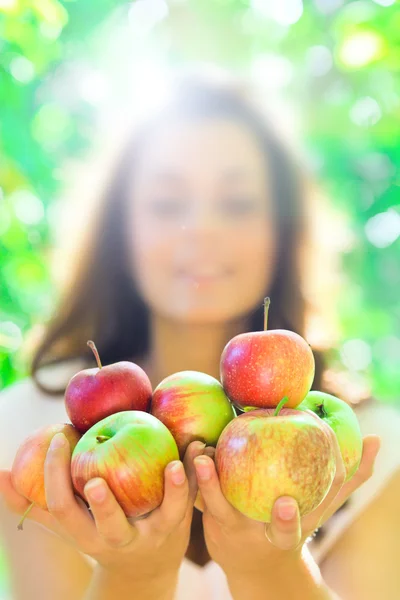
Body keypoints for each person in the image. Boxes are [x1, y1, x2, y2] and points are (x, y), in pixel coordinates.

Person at [0, 70, 399, 600]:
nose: (203, 228)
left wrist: (271, 572)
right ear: (121, 232)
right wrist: (134, 576)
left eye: (237, 203)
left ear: (283, 232)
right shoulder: (36, 432)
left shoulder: (366, 447)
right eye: (167, 203)